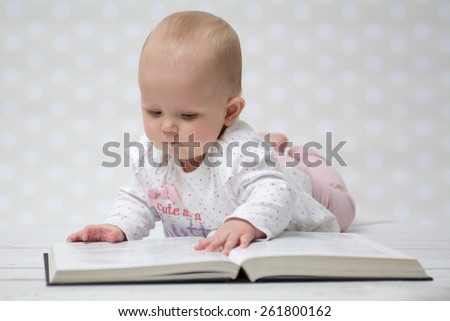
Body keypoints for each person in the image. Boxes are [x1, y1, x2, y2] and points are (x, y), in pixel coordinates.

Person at [67, 11, 355, 255]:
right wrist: (117, 226)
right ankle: (272, 149)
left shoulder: (239, 153)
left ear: (229, 113)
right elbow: (140, 198)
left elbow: (277, 191)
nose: (167, 127)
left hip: (304, 193)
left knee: (342, 207)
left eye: (188, 115)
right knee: (260, 158)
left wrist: (244, 222)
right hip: (254, 161)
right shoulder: (153, 154)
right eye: (154, 112)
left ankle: (295, 157)